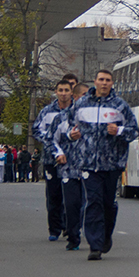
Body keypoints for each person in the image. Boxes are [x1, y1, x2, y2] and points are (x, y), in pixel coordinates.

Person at [67, 69, 139, 261]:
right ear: (95, 82)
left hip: (112, 163)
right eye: (101, 80)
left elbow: (134, 131)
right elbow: (67, 125)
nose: (104, 83)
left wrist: (119, 130)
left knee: (108, 204)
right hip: (88, 163)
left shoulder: (120, 106)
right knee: (93, 201)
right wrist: (70, 135)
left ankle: (106, 234)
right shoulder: (81, 104)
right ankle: (95, 245)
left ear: (112, 83)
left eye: (108, 80)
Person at [35, 79, 75, 241]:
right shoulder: (47, 111)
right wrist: (51, 140)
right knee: (54, 195)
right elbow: (37, 130)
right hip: (51, 159)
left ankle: (69, 226)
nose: (63, 93)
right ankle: (54, 229)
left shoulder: (76, 111)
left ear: (71, 92)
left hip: (72, 159)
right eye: (61, 90)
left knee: (71, 196)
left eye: (66, 90)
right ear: (56, 92)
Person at [52, 83, 89, 250]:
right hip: (69, 168)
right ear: (76, 97)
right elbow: (52, 139)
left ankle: (92, 235)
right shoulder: (64, 117)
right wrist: (58, 153)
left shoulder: (96, 117)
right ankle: (73, 237)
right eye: (84, 95)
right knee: (72, 204)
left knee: (90, 204)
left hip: (91, 169)